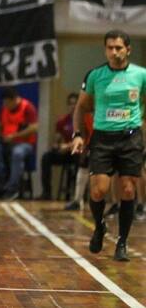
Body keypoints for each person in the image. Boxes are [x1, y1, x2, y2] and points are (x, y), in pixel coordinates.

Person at [71, 29, 146, 262]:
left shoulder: (141, 75)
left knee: (127, 190)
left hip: (130, 137)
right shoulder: (95, 75)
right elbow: (82, 107)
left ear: (128, 49)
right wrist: (78, 134)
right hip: (103, 137)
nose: (114, 52)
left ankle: (122, 242)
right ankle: (100, 226)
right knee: (98, 190)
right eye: (110, 48)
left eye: (118, 48)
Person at [0, 87, 38, 200]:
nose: (5, 105)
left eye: (7, 102)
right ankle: (3, 178)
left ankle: (12, 188)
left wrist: (14, 137)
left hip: (24, 143)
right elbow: (0, 125)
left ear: (15, 100)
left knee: (17, 153)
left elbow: (33, 128)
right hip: (6, 142)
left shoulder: (27, 108)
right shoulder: (4, 109)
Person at [41, 93, 78, 199]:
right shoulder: (62, 121)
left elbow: (85, 140)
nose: (73, 106)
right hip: (65, 153)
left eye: (75, 104)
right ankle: (46, 192)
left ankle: (76, 194)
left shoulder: (84, 120)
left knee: (79, 158)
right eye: (71, 104)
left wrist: (68, 146)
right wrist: (57, 146)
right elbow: (56, 140)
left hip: (78, 153)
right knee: (46, 157)